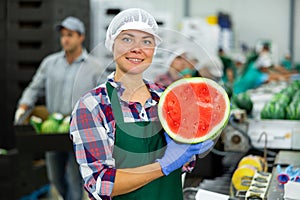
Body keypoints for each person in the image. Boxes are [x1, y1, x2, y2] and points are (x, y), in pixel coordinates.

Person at [70, 8, 214, 200]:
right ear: (112, 44)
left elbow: (184, 165)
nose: (137, 48)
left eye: (146, 41)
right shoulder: (92, 106)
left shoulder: (166, 98)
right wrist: (162, 166)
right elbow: (100, 184)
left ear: (154, 49)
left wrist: (191, 149)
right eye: (127, 39)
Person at [14, 16, 103, 200]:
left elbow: (103, 98)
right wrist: (23, 107)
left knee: (74, 177)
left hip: (80, 131)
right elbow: (34, 87)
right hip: (53, 130)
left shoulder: (95, 67)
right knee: (54, 177)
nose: (65, 39)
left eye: (70, 35)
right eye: (63, 35)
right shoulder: (50, 63)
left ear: (81, 37)